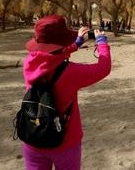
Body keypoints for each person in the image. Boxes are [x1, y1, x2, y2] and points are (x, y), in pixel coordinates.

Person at [22, 15, 111, 170]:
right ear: (62, 41)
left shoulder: (29, 62)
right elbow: (103, 68)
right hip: (65, 142)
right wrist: (102, 43)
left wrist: (76, 44)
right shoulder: (71, 72)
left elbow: (50, 57)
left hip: (33, 137)